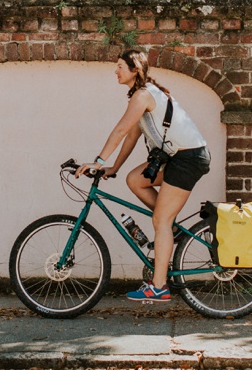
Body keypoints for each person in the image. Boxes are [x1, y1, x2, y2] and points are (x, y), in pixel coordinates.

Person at [76, 49, 210, 303]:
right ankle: (170, 227)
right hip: (179, 157)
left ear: (135, 69)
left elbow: (120, 129)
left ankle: (159, 286)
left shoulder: (143, 94)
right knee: (135, 179)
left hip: (189, 158)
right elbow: (131, 136)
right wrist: (113, 167)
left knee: (160, 221)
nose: (115, 71)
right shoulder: (142, 96)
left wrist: (98, 161)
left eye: (119, 66)